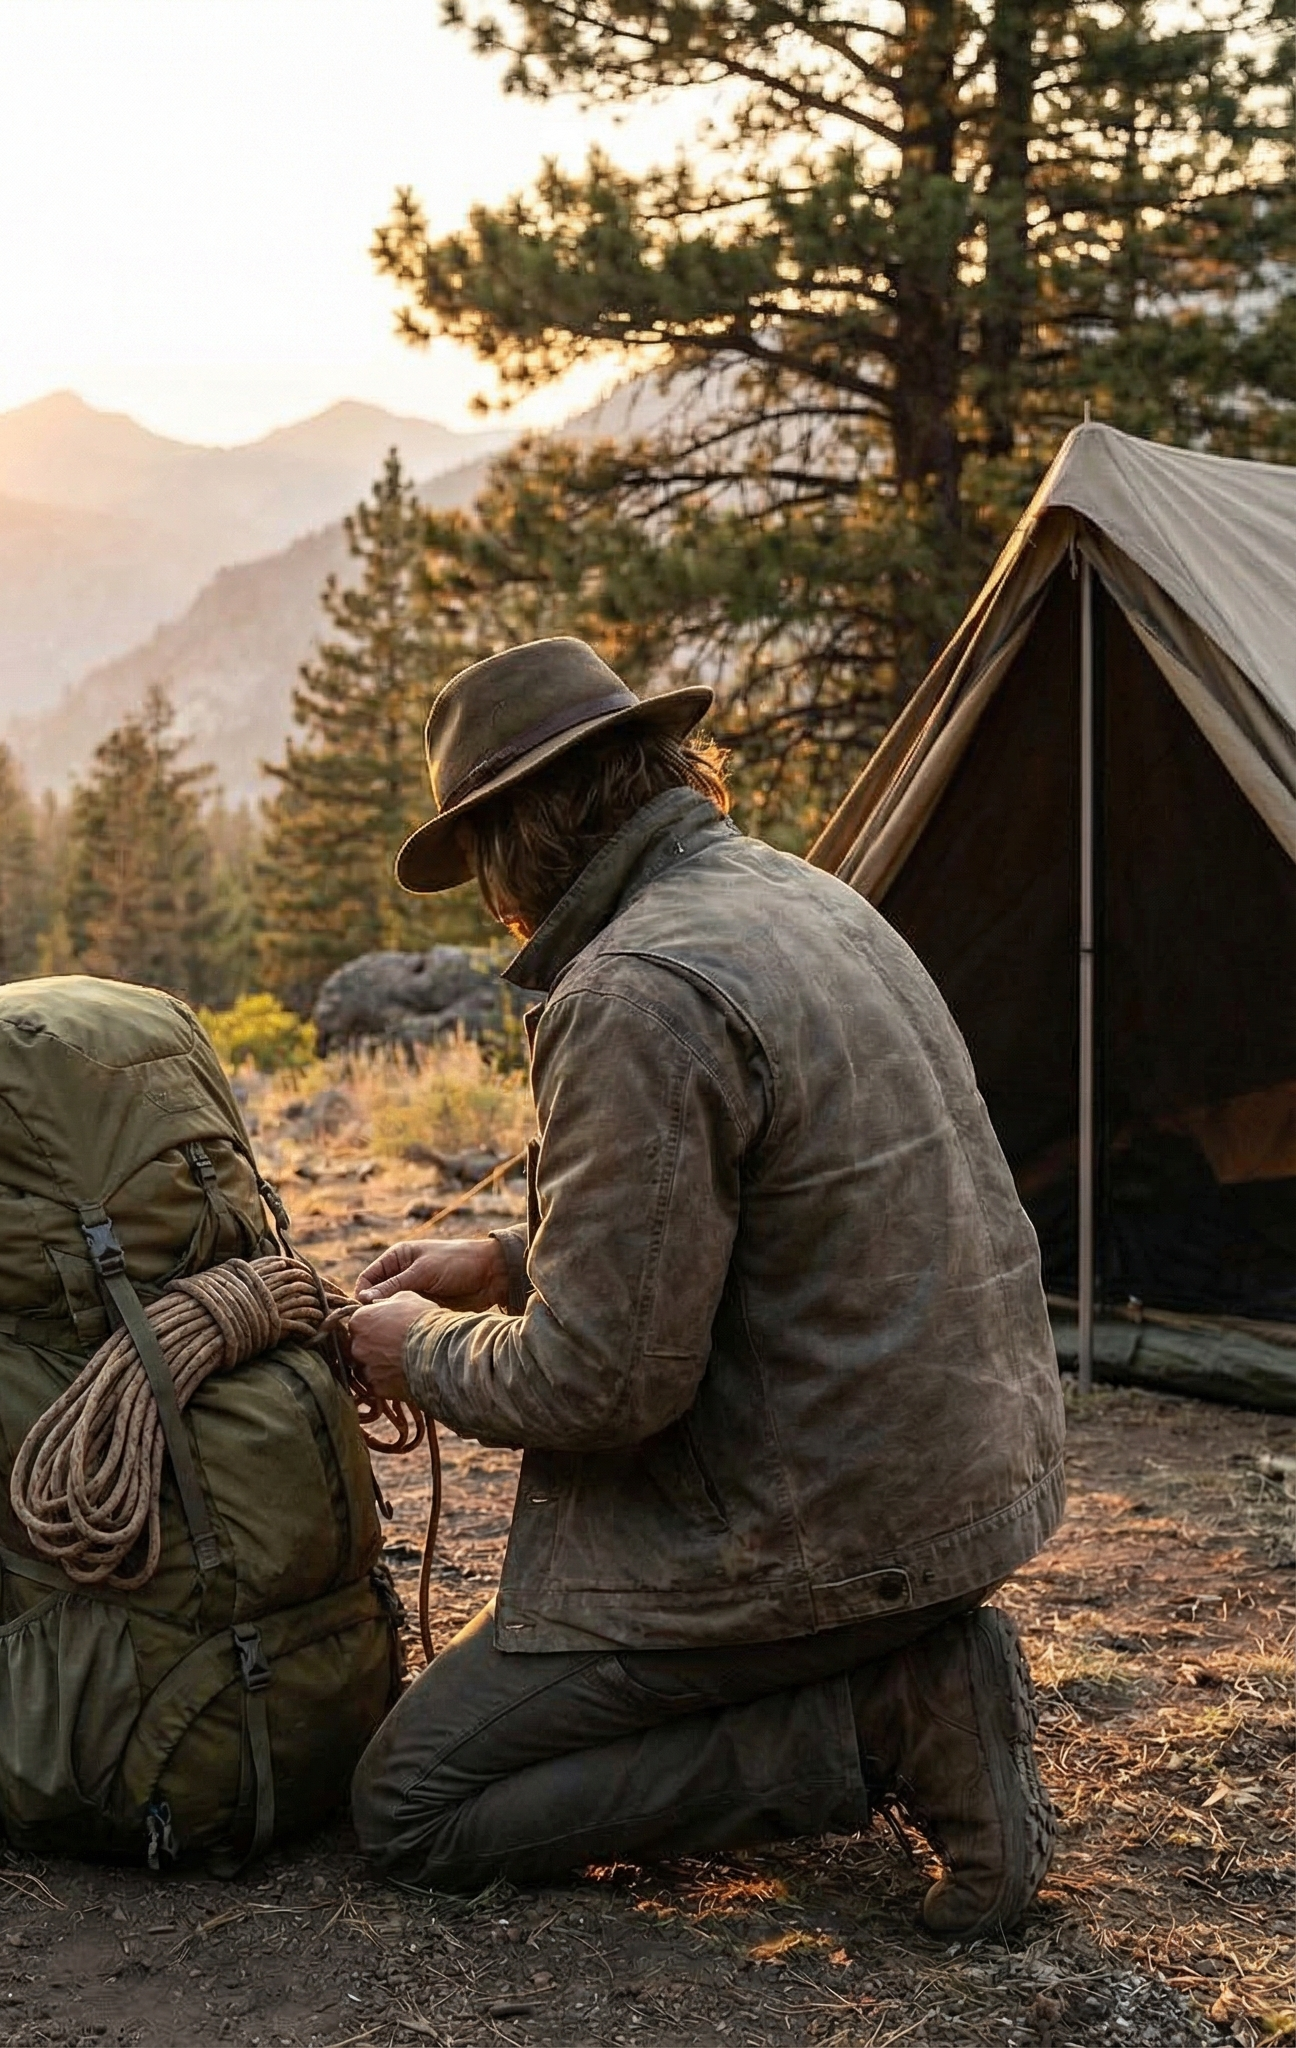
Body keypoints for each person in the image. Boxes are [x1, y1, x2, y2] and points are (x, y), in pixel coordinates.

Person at [343, 636, 1066, 1937]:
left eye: (483, 859)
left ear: (523, 830)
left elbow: (605, 1383)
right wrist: (505, 1261)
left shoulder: (633, 990)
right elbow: (776, 1211)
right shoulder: (803, 899)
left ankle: (889, 1717)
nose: (489, 899)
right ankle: (898, 1673)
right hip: (963, 1484)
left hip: (821, 1530)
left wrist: (423, 1350)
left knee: (414, 1804)